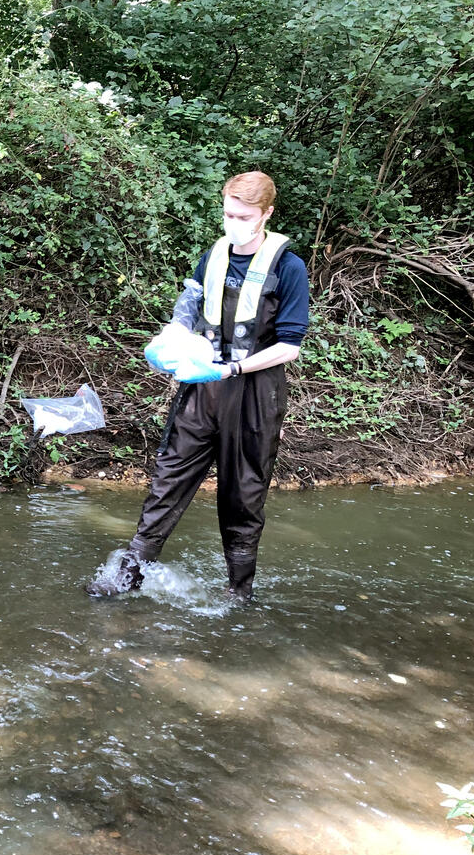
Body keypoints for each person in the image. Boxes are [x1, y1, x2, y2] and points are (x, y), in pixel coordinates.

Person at [86, 171, 310, 600]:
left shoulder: (288, 266)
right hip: (201, 391)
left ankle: (239, 591)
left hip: (254, 396)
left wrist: (232, 371)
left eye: (244, 215)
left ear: (266, 214)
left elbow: (289, 347)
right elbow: (188, 307)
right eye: (228, 213)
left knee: (243, 495)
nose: (234, 222)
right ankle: (127, 576)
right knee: (168, 479)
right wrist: (170, 339)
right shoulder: (214, 255)